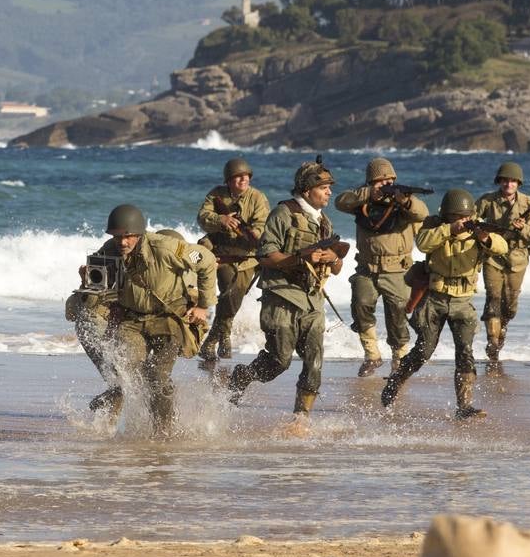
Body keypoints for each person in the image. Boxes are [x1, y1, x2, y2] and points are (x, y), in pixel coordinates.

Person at [66, 204, 216, 435]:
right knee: (129, 374)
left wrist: (203, 306)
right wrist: (88, 280)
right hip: (132, 322)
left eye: (127, 237)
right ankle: (126, 415)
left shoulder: (165, 247)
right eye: (117, 237)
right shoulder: (110, 249)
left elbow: (205, 260)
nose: (122, 242)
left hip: (169, 320)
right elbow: (96, 282)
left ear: (139, 234)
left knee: (157, 377)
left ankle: (164, 432)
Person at [224, 159, 348, 419]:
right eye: (324, 187)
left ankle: (300, 419)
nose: (329, 192)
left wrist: (332, 259)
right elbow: (265, 255)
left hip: (312, 299)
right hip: (281, 295)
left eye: (329, 188)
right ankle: (242, 377)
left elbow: (336, 268)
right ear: (306, 190)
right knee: (279, 361)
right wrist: (301, 258)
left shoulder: (324, 221)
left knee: (315, 362)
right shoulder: (283, 214)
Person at [381, 189, 508, 419]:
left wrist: (484, 238)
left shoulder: (477, 228)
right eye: (456, 217)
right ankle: (395, 381)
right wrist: (450, 230)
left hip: (463, 300)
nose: (462, 221)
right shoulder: (435, 226)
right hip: (435, 298)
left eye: (465, 217)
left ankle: (464, 406)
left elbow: (502, 246)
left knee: (465, 353)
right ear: (447, 216)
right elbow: (422, 243)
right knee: (424, 350)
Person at [334, 156, 429, 376]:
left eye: (389, 180)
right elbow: (340, 202)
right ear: (370, 183)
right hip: (367, 269)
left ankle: (399, 360)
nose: (385, 185)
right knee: (360, 305)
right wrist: (369, 194)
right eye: (379, 181)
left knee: (397, 315)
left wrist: (404, 201)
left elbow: (421, 213)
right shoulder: (363, 201)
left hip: (396, 269)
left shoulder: (404, 203)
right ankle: (372, 355)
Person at [196, 156, 270, 365]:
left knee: (234, 296)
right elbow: (202, 217)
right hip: (221, 254)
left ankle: (215, 337)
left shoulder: (257, 197)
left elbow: (262, 225)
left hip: (246, 257)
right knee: (229, 289)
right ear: (228, 180)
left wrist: (250, 234)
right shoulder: (216, 194)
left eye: (246, 176)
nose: (243, 180)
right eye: (238, 177)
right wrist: (222, 220)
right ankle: (220, 339)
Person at [475, 161, 530, 370]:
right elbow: (473, 220)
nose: (508, 184)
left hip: (517, 259)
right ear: (499, 181)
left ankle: (501, 329)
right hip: (493, 257)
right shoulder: (488, 200)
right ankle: (492, 343)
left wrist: (522, 229)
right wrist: (482, 230)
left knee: (510, 305)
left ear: (518, 183)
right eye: (505, 180)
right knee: (492, 298)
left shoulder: (528, 203)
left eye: (512, 181)